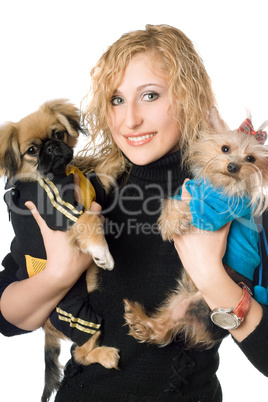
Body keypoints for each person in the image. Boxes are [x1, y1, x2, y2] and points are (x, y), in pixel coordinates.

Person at [0, 24, 267, 401]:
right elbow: (8, 318)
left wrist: (210, 275)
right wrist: (58, 274)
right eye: (116, 100)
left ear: (189, 97)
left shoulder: (236, 194)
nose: (131, 120)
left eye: (151, 95)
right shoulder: (84, 189)